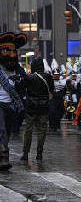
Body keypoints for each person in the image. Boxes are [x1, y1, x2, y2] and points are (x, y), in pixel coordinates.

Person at [0, 32, 26, 170]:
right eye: (6, 50)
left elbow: (25, 84)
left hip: (11, 105)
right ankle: (4, 159)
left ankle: (2, 150)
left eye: (14, 51)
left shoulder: (18, 70)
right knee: (2, 130)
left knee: (7, 131)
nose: (11, 54)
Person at [20, 57, 54, 161]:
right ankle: (39, 153)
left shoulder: (29, 77)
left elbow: (21, 89)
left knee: (28, 129)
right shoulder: (48, 77)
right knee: (42, 130)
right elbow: (52, 90)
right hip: (44, 106)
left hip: (31, 106)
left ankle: (25, 153)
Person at [49, 65, 66, 131]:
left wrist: (60, 93)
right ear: (53, 75)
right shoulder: (50, 81)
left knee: (60, 112)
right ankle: (51, 125)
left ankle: (57, 125)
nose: (56, 76)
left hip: (60, 99)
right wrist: (54, 94)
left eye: (57, 74)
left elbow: (64, 90)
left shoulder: (62, 82)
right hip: (52, 99)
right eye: (55, 74)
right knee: (52, 112)